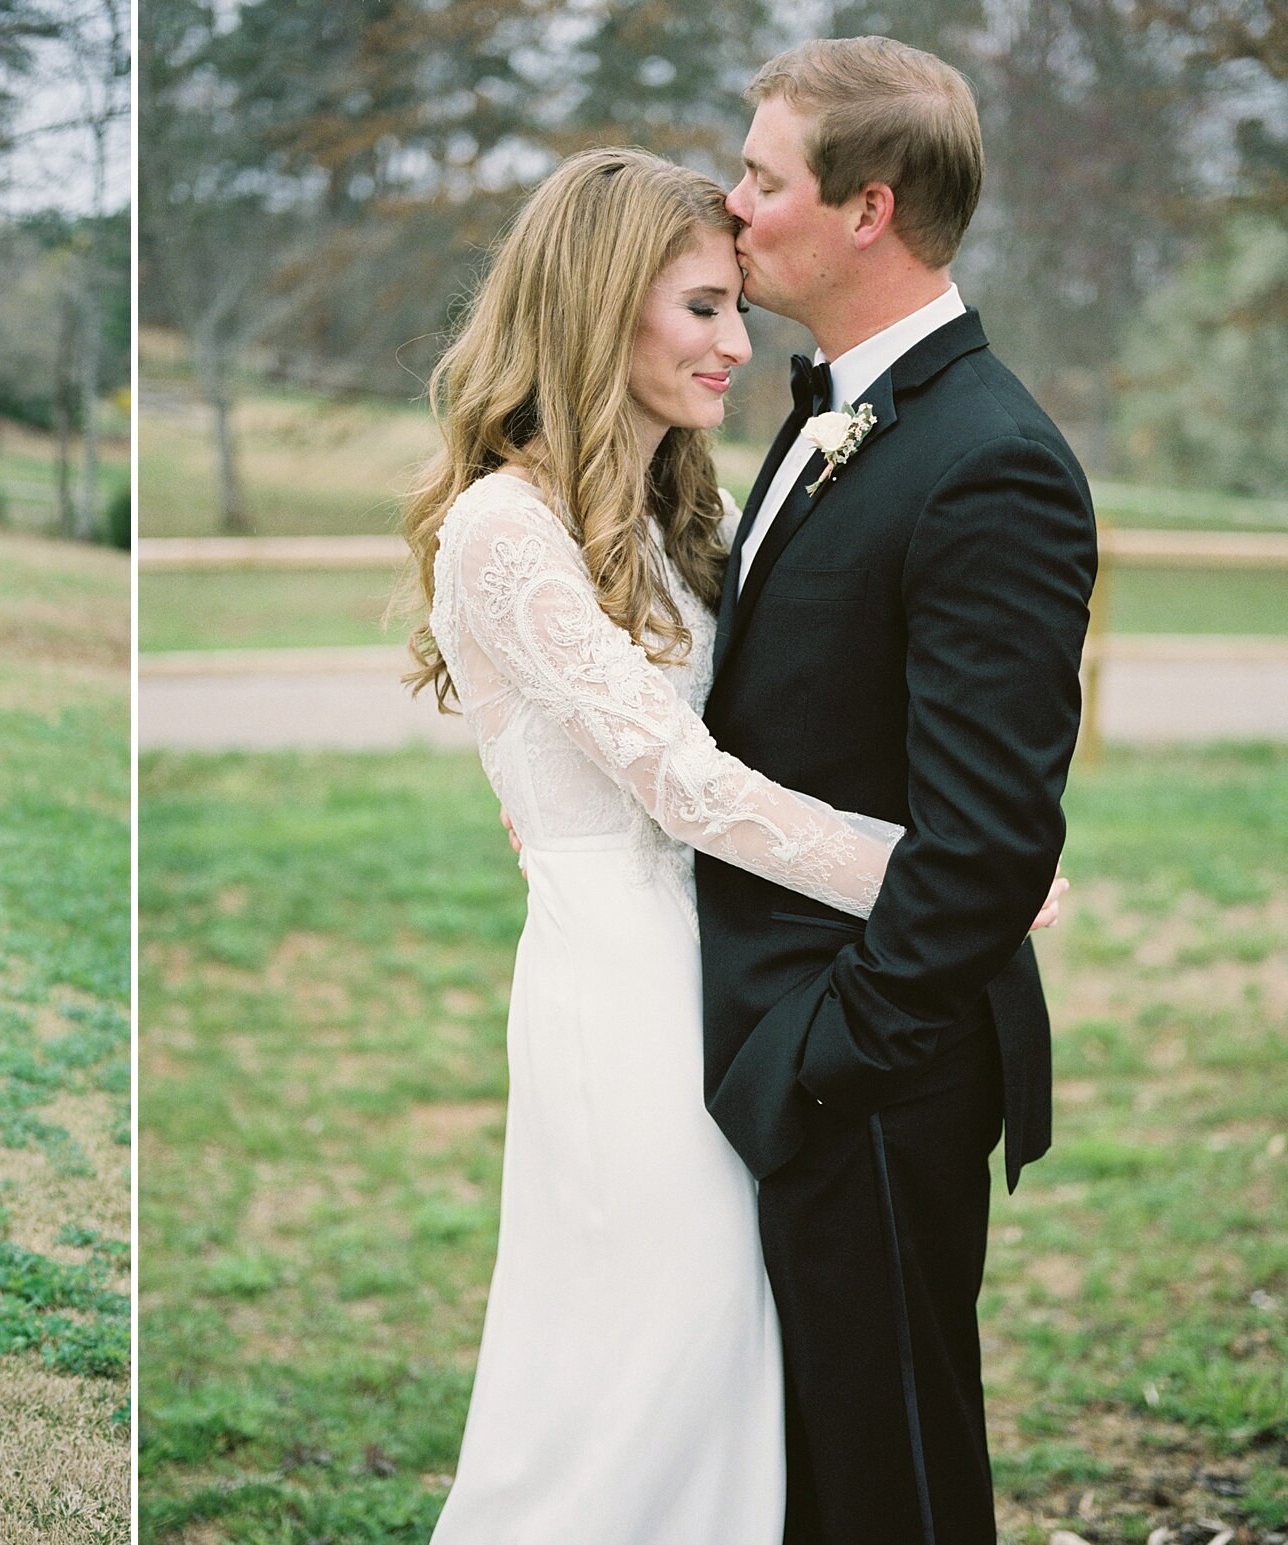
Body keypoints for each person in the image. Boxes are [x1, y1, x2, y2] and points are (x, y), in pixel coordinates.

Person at [405, 146, 1068, 1540]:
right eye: (702, 307)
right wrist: (949, 873)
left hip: (724, 974)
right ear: (599, 308)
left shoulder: (667, 506)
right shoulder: (504, 527)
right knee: (637, 1370)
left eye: (737, 313)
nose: (731, 345)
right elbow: (687, 784)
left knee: (725, 1366)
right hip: (622, 989)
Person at [703, 39, 1096, 1544]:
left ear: (866, 209)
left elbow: (993, 835)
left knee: (894, 1479)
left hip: (872, 1064)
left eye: (763, 175)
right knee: (813, 1467)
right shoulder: (834, 413)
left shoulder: (990, 460)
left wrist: (835, 1054)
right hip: (790, 1037)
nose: (734, 206)